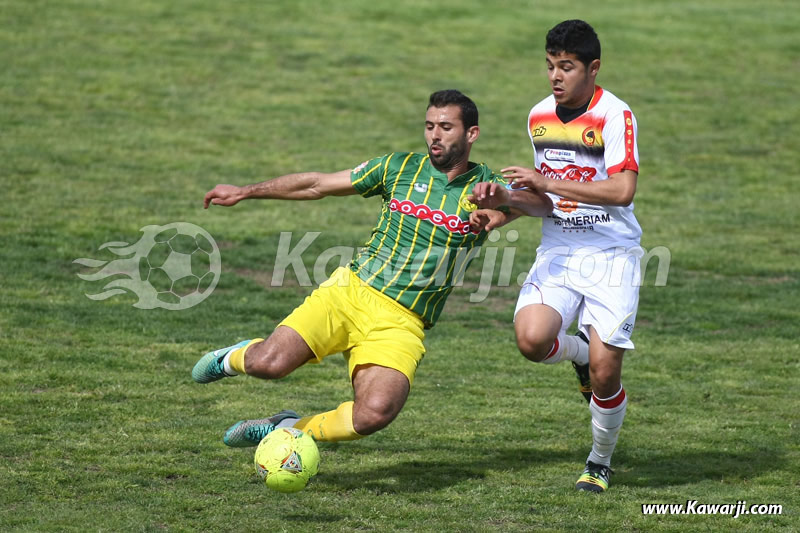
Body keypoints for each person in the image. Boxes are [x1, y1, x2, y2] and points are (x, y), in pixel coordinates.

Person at [193, 90, 551, 449]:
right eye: (429, 126)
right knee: (266, 364)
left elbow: (543, 204)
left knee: (375, 413)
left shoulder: (486, 187)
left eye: (445, 127)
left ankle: (285, 427)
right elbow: (318, 184)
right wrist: (246, 191)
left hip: (403, 320)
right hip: (350, 293)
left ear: (471, 134)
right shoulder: (397, 167)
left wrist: (504, 205)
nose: (434, 136)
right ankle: (232, 358)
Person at [470, 20, 642, 493]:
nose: (555, 76)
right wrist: (501, 204)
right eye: (550, 66)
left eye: (566, 67)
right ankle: (582, 353)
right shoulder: (539, 116)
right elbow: (545, 203)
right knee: (531, 340)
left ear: (593, 68)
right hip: (561, 248)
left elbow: (623, 190)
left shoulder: (614, 114)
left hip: (611, 253)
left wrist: (548, 182)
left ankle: (599, 460)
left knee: (607, 378)